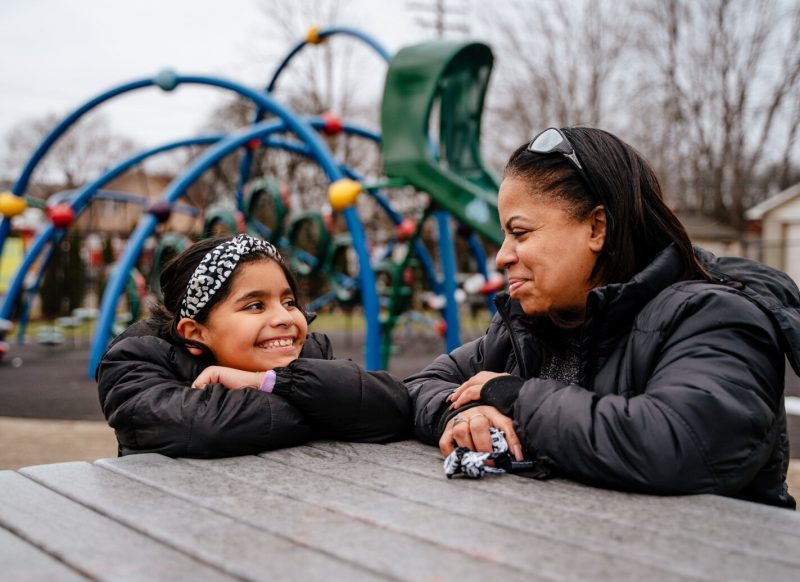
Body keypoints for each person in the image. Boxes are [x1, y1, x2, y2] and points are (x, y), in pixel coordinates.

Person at [407, 126, 799, 508]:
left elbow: (679, 444)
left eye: (520, 233)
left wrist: (515, 398)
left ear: (597, 228)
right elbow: (421, 387)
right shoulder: (536, 327)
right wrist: (464, 414)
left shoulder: (717, 317)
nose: (502, 256)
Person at [97, 234, 411, 458]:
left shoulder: (307, 352)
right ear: (196, 331)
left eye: (288, 301)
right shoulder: (136, 362)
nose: (285, 317)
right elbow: (207, 428)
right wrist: (326, 407)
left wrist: (266, 382)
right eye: (255, 306)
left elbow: (393, 407)